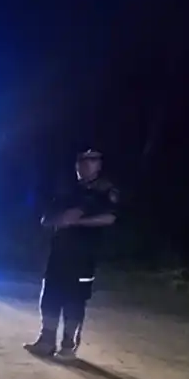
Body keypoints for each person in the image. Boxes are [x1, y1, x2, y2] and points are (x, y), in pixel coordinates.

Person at [26, 148, 119, 358]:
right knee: (50, 294)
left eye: (92, 161)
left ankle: (68, 345)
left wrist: (77, 221)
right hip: (59, 252)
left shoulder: (105, 191)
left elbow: (110, 218)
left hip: (84, 255)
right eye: (82, 161)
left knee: (75, 299)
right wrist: (58, 220)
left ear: (99, 165)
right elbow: (45, 219)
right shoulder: (68, 191)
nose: (85, 165)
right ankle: (46, 340)